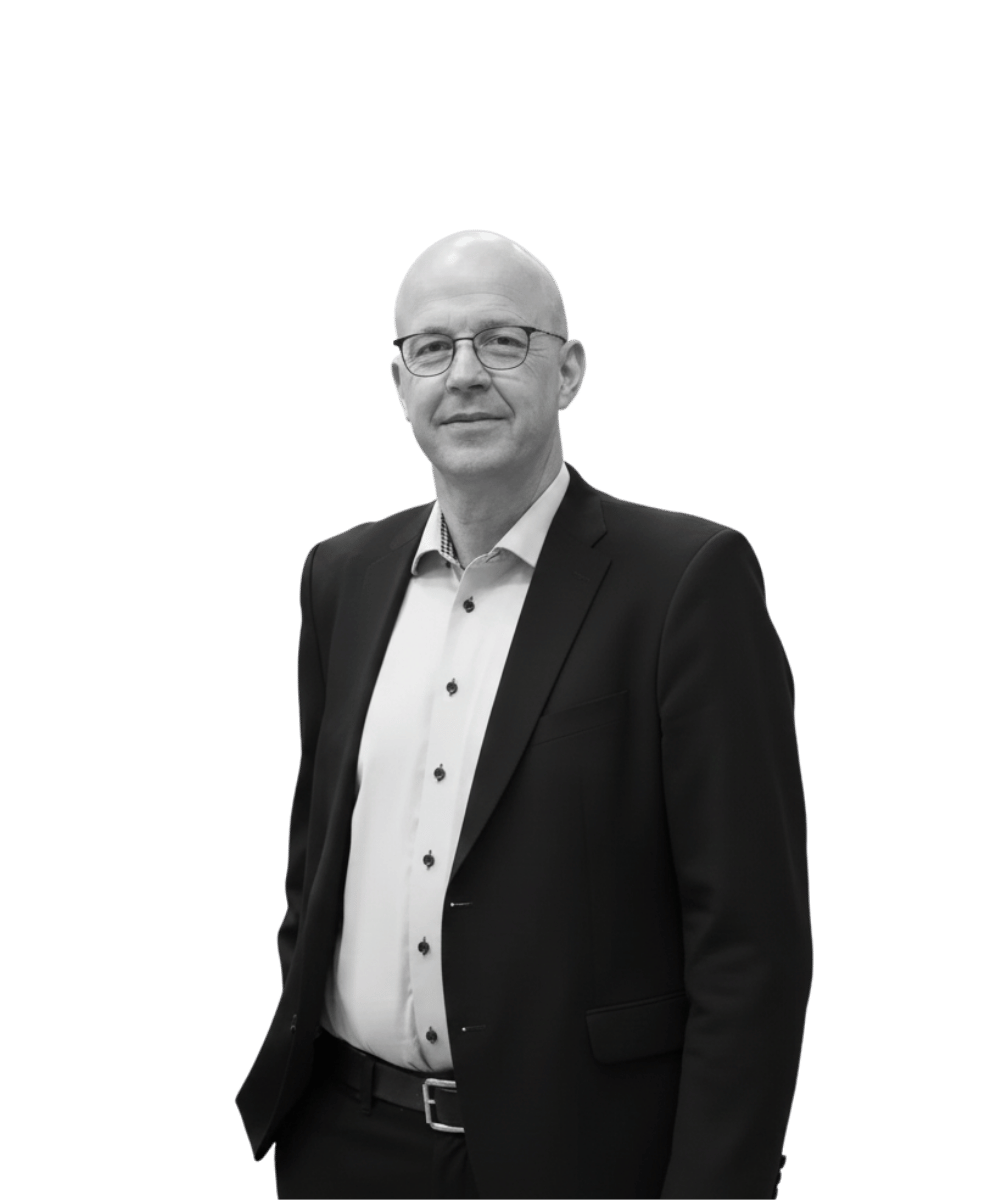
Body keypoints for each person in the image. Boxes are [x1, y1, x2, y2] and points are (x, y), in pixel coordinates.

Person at [234, 230, 812, 1199]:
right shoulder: (341, 575)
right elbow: (316, 851)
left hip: (576, 1157)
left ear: (570, 370)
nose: (464, 374)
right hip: (343, 1147)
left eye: (503, 341)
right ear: (399, 384)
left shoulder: (684, 581)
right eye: (432, 348)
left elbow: (749, 942)